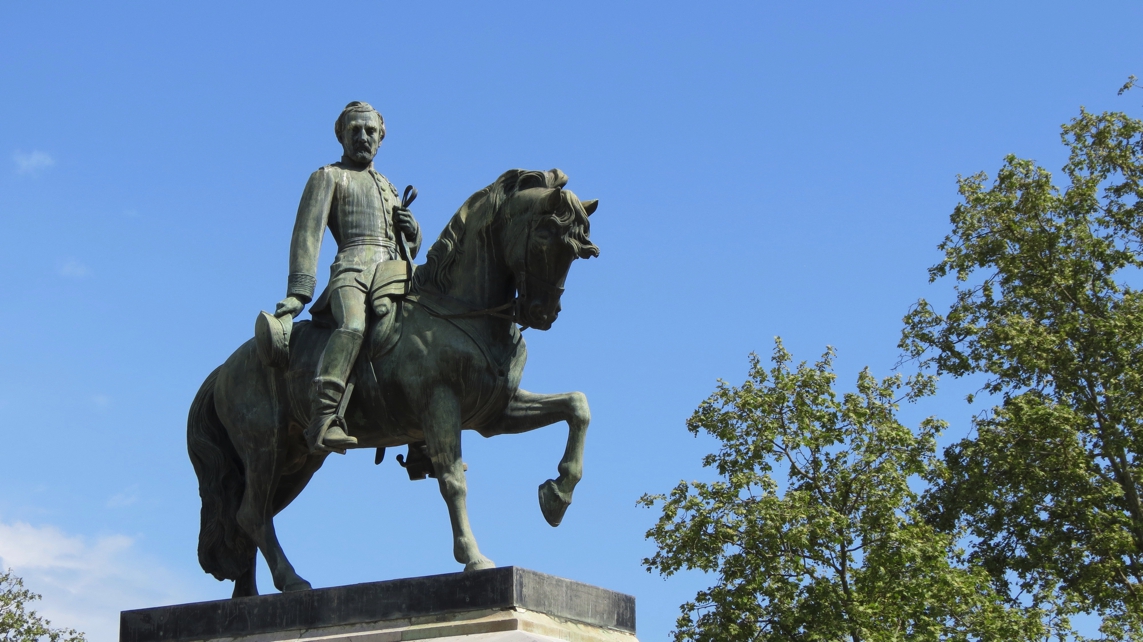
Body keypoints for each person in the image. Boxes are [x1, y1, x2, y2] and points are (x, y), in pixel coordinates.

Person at [274, 101, 421, 453]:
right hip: (352, 271)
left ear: (381, 138)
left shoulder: (389, 185)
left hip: (394, 274)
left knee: (429, 332)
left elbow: (402, 246)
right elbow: (308, 235)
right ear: (341, 135)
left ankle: (422, 438)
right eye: (354, 130)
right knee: (353, 325)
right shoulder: (328, 176)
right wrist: (299, 292)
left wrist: (413, 233)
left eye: (370, 131)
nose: (363, 137)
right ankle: (324, 416)